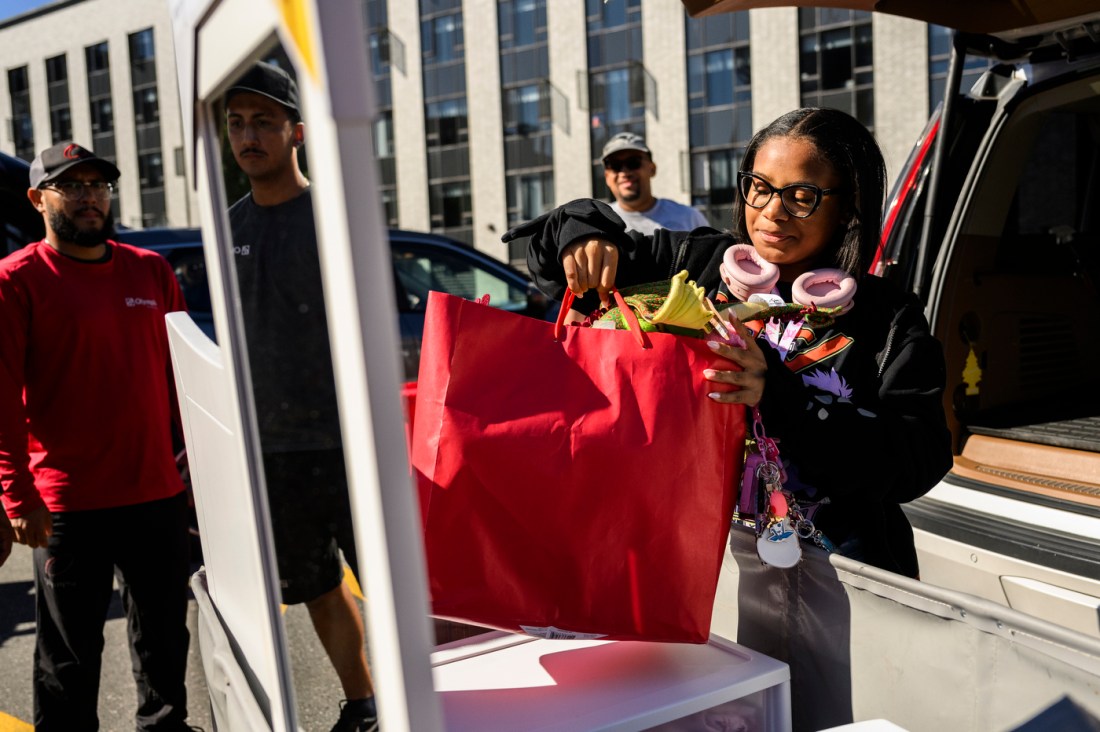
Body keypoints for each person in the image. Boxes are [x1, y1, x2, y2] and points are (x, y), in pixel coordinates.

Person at [511, 108, 954, 578]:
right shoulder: (696, 262)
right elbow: (553, 258)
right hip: (692, 568)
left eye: (801, 196)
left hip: (837, 582)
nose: (772, 212)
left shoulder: (885, 315)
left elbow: (919, 460)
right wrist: (582, 236)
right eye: (759, 188)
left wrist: (780, 395)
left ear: (847, 207)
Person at [0, 142, 193, 730]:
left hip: (156, 495)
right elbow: (2, 397)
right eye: (72, 186)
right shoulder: (15, 280)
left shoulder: (150, 271)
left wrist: (193, 470)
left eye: (98, 185)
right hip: (67, 505)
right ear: (37, 199)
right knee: (69, 657)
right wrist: (16, 496)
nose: (89, 197)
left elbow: (179, 379)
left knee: (163, 638)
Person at [225, 61, 378, 732]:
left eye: (263, 121)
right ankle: (364, 703)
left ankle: (437, 698)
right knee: (317, 587)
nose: (248, 136)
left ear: (298, 131)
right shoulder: (226, 226)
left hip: (351, 442)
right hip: (276, 449)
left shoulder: (336, 215)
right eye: (237, 123)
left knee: (397, 587)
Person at [600, 131, 709, 235]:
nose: (625, 172)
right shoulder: (599, 224)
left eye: (633, 162)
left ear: (652, 169)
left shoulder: (690, 218)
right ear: (606, 177)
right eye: (615, 165)